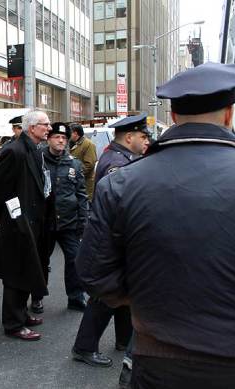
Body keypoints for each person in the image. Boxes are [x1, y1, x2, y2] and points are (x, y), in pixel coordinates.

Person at [76, 62, 235, 388]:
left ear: (173, 117)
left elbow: (93, 274)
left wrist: (145, 298)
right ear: (229, 114)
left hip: (157, 359)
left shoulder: (124, 183)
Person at [72, 114, 149, 368]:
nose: (145, 140)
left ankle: (123, 338)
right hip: (112, 241)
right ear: (129, 137)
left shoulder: (121, 157)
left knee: (125, 291)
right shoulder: (118, 162)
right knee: (105, 296)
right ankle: (84, 347)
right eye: (142, 136)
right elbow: (119, 206)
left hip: (115, 239)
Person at [0, 110, 51, 341]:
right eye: (44, 125)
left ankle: (22, 313)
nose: (48, 128)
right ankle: (13, 324)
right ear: (32, 127)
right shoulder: (13, 151)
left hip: (32, 222)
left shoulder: (34, 149)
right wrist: (7, 217)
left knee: (27, 269)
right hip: (17, 224)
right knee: (16, 273)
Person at [36, 122, 88, 312]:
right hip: (45, 222)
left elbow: (82, 194)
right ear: (49, 139)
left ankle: (75, 297)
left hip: (69, 222)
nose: (61, 140)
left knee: (75, 260)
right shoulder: (39, 160)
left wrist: (84, 222)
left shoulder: (74, 163)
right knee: (41, 260)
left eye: (64, 138)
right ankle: (37, 297)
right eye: (57, 137)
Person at [69, 123, 97, 201]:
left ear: (75, 133)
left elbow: (89, 165)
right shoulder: (71, 143)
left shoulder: (88, 144)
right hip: (74, 184)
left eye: (69, 132)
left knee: (85, 206)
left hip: (85, 184)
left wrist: (75, 174)